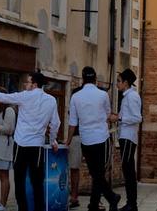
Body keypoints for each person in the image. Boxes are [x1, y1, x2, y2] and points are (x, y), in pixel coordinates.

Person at [0, 72, 60, 211]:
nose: (25, 84)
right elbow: (56, 123)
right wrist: (52, 140)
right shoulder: (51, 100)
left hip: (21, 145)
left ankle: (23, 209)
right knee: (37, 182)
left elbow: (3, 97)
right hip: (37, 147)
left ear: (34, 84)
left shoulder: (25, 96)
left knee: (19, 181)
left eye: (27, 82)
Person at [66, 67, 120, 211]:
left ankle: (94, 205)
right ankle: (110, 198)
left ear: (83, 79)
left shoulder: (75, 96)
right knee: (98, 173)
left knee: (95, 173)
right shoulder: (103, 95)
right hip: (102, 138)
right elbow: (108, 114)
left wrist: (68, 141)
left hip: (86, 140)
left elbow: (72, 123)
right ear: (95, 78)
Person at [108, 69, 142, 211]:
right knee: (127, 171)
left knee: (128, 172)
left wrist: (119, 118)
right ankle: (131, 204)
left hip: (128, 138)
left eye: (119, 81)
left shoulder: (132, 96)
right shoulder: (127, 96)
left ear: (126, 83)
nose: (117, 84)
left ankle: (131, 205)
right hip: (125, 136)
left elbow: (137, 118)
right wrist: (116, 116)